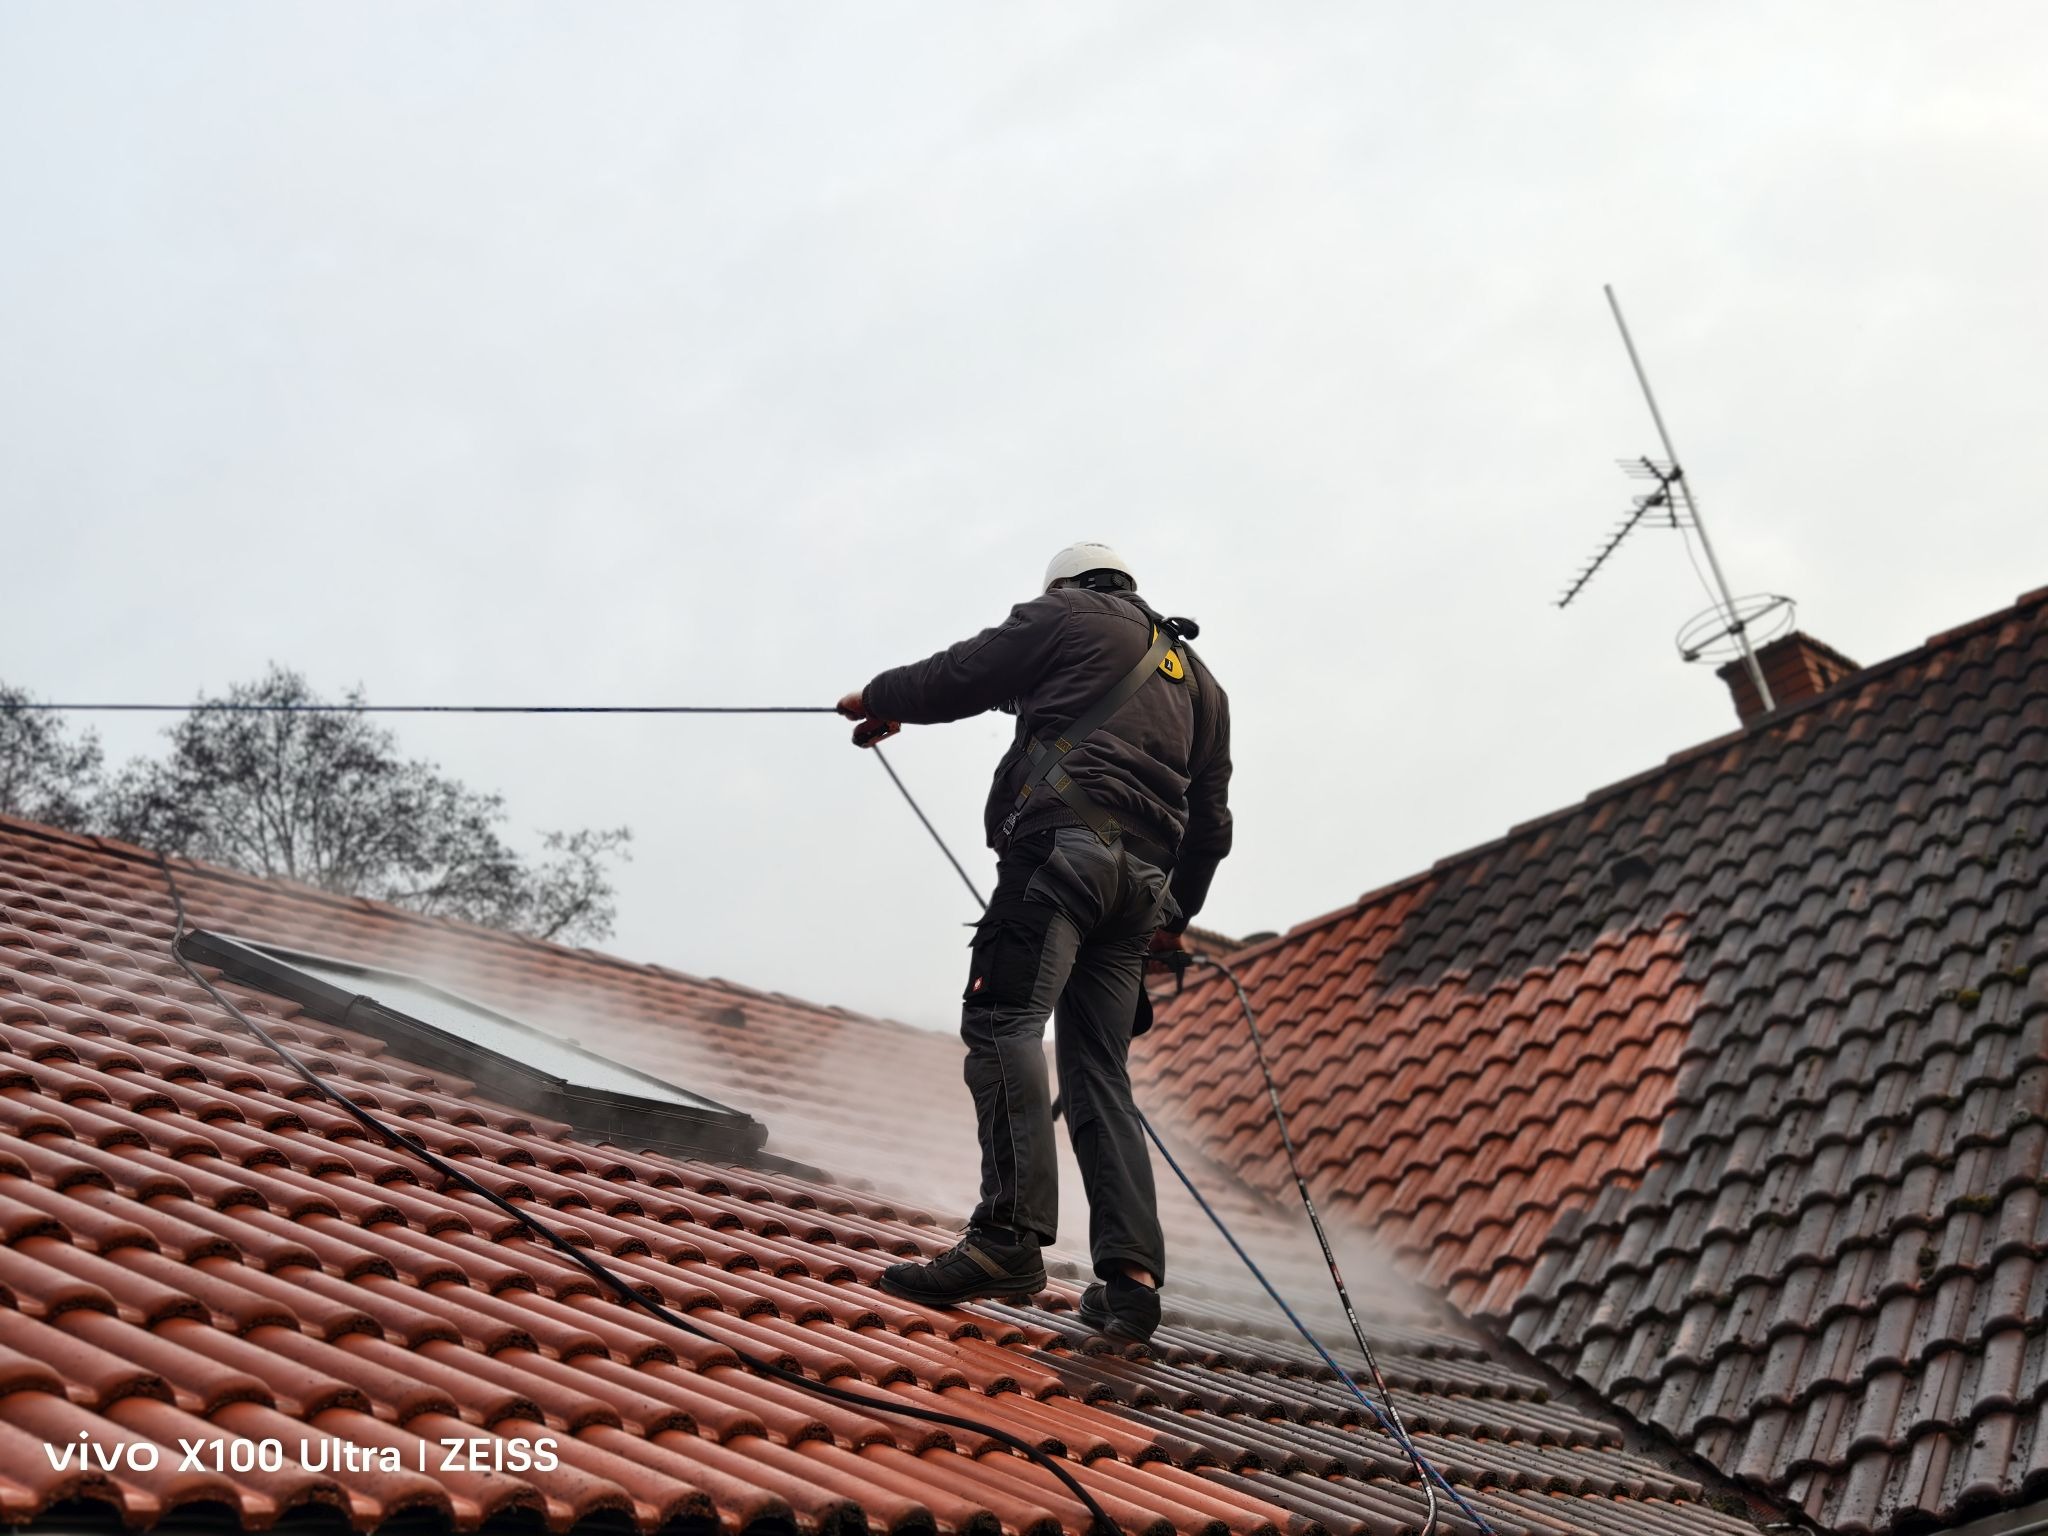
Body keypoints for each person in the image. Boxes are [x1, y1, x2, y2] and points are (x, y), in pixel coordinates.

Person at [837, 541, 1232, 1343]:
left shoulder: (1065, 616)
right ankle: (1131, 1285)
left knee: (1002, 1022)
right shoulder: (1202, 685)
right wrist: (1173, 922)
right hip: (1138, 896)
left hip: (1059, 855)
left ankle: (1006, 1239)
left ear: (1063, 587)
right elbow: (1212, 824)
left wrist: (876, 697)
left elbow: (966, 674)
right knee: (1099, 1072)